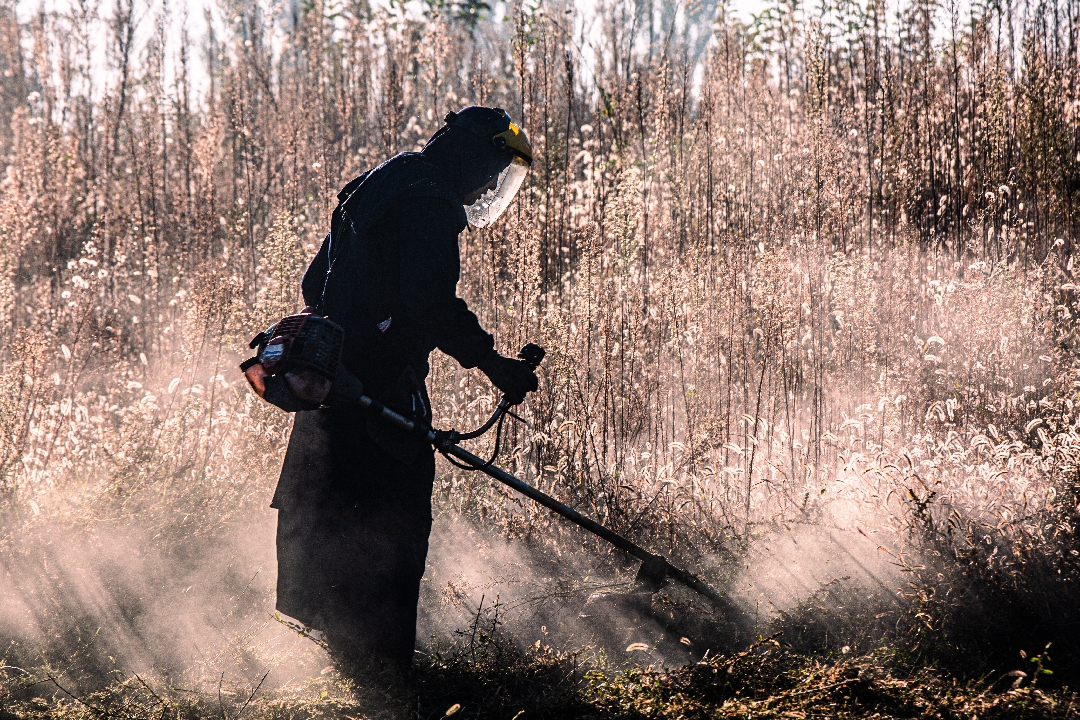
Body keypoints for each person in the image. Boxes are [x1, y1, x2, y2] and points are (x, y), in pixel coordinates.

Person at [242, 106, 538, 674]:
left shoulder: (389, 178)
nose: (488, 185)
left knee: (334, 506)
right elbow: (431, 306)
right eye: (492, 170)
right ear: (469, 155)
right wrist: (493, 363)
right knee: (395, 515)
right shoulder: (430, 202)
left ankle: (350, 652)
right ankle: (385, 663)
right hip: (376, 386)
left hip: (333, 382)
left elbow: (313, 282)